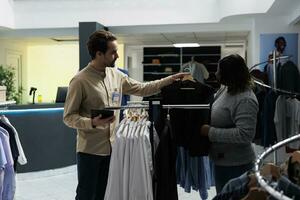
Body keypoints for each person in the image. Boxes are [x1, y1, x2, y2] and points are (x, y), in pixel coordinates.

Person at [63, 30, 187, 200]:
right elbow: (69, 117)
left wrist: (170, 79)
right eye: (112, 52)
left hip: (115, 148)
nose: (117, 55)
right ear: (99, 54)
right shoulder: (80, 81)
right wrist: (91, 122)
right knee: (86, 195)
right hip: (90, 151)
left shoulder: (117, 76)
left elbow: (143, 88)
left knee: (105, 194)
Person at [200, 54, 259, 193]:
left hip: (237, 165)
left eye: (219, 71)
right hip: (222, 162)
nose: (216, 73)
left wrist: (210, 132)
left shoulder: (245, 99)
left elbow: (245, 135)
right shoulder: (225, 89)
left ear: (230, 74)